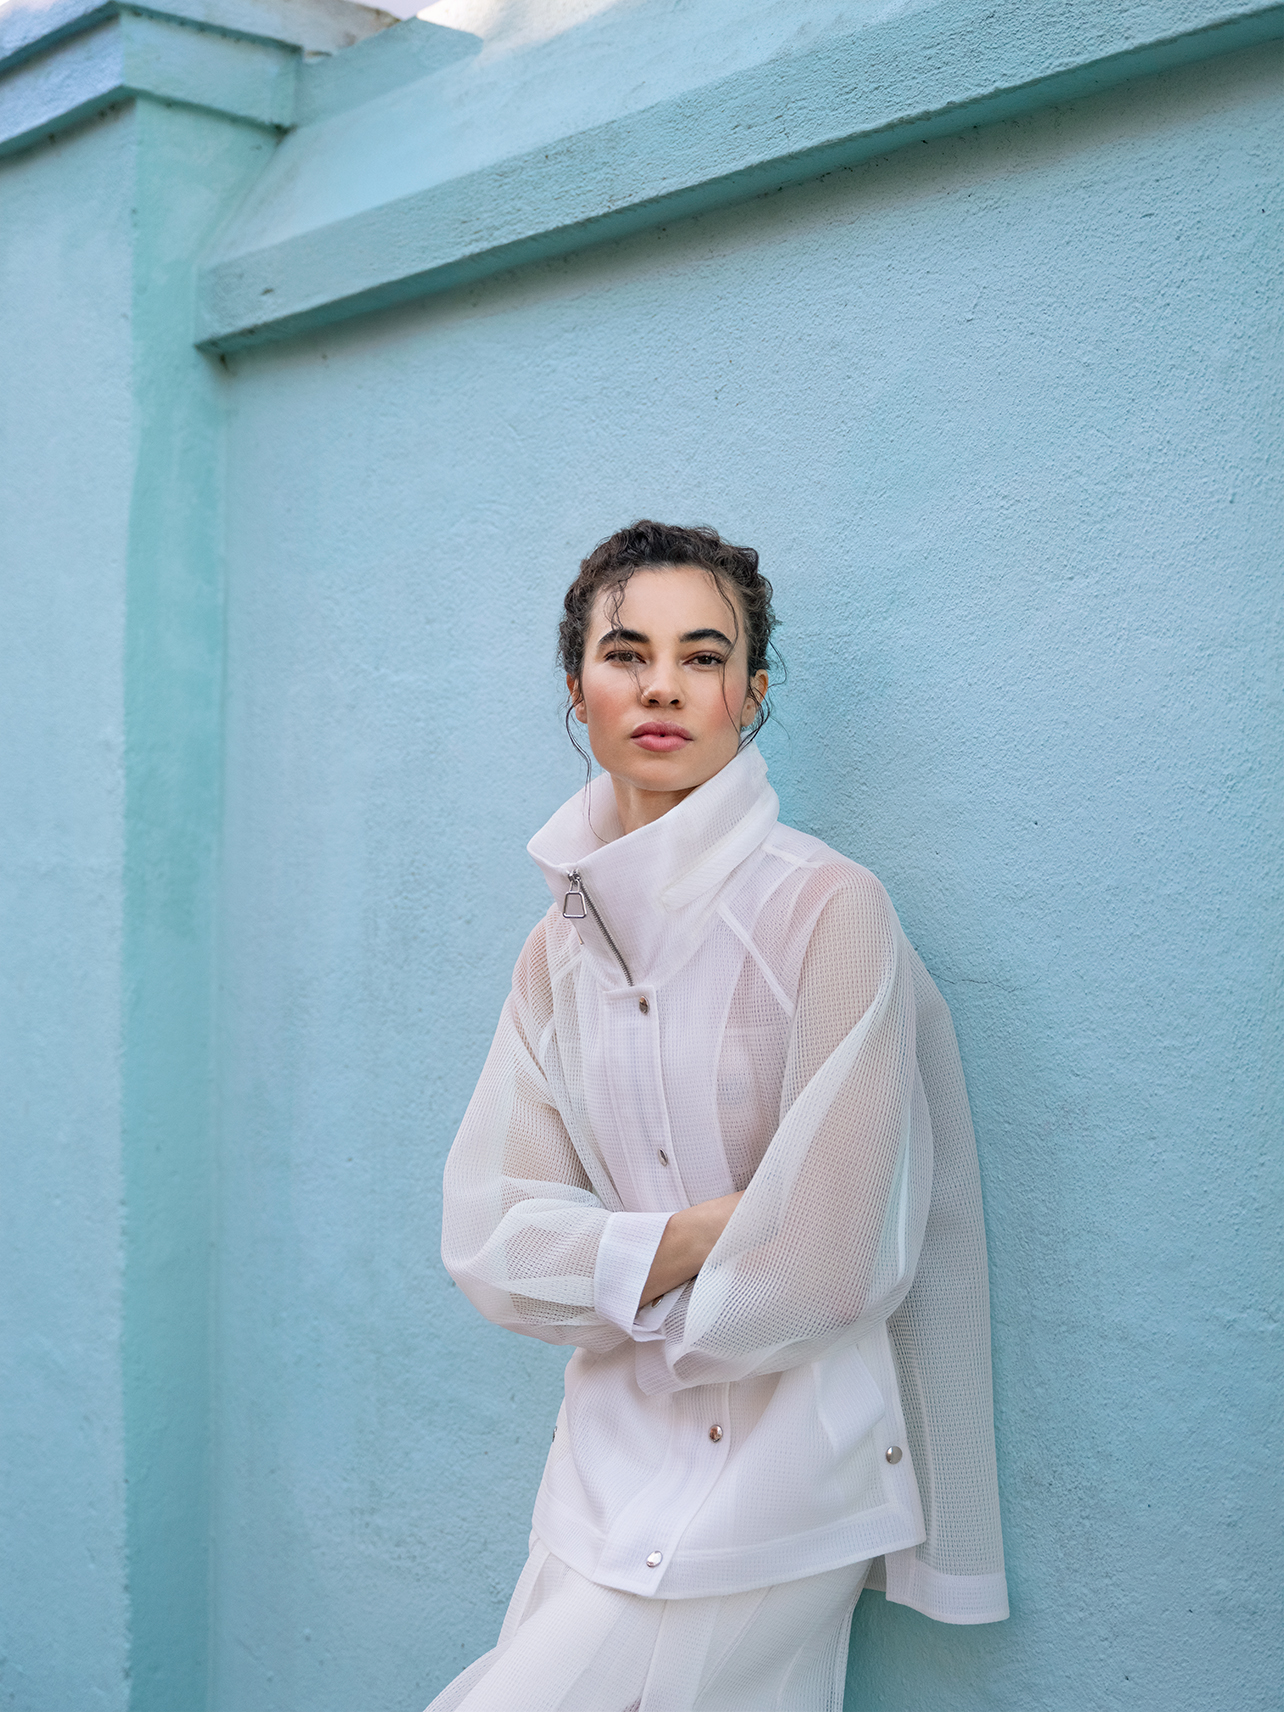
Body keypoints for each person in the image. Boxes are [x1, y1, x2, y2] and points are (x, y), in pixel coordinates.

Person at [429, 522, 1006, 1712]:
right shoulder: (557, 951)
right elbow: (495, 1240)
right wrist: (703, 1234)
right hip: (599, 1471)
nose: (662, 686)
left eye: (704, 656)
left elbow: (834, 1258)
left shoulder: (830, 909)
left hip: (791, 1480)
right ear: (577, 688)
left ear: (749, 693)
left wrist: (615, 1271)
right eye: (626, 652)